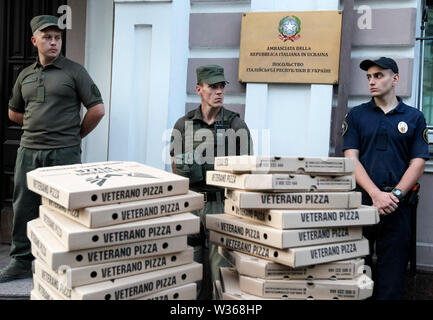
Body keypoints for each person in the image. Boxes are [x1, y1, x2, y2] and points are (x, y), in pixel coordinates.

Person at [0, 15, 105, 283]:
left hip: (64, 152)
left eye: (57, 37)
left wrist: (75, 135)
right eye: (47, 37)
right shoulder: (25, 75)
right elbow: (14, 113)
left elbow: (97, 110)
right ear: (35, 41)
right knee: (24, 205)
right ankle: (21, 260)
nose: (54, 42)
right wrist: (37, 125)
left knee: (65, 209)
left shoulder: (75, 71)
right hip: (29, 151)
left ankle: (63, 261)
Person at [342, 57, 429, 299]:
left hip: (397, 207)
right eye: (369, 76)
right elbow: (351, 160)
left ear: (395, 79)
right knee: (358, 274)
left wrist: (395, 196)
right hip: (362, 203)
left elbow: (418, 162)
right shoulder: (356, 115)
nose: (371, 81)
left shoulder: (414, 117)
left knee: (392, 279)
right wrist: (375, 195)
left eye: (378, 75)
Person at [170, 65, 253, 299]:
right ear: (199, 89)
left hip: (222, 206)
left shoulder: (236, 125)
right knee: (186, 275)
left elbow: (248, 172)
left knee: (222, 278)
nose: (218, 92)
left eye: (221, 87)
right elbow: (175, 165)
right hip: (191, 207)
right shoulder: (183, 125)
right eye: (212, 87)